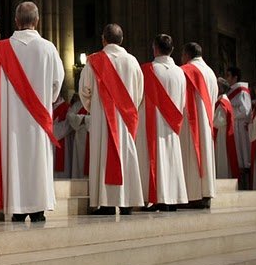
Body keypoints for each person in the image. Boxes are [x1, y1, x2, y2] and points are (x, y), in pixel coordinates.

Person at [0, 1, 64, 222]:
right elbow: (57, 82)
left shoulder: (2, 49)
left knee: (16, 158)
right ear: (37, 21)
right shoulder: (48, 48)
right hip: (39, 118)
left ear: (16, 21)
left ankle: (17, 206)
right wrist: (46, 101)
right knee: (37, 159)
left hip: (12, 120)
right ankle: (38, 207)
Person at [78, 24, 144, 215]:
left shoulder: (94, 61)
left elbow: (85, 90)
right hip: (126, 119)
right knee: (126, 155)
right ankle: (127, 202)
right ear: (121, 40)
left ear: (103, 39)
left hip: (102, 120)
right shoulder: (133, 62)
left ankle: (106, 203)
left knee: (104, 156)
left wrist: (95, 108)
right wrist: (128, 110)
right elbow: (139, 93)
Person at [136, 34, 187, 211]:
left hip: (151, 123)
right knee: (170, 158)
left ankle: (157, 198)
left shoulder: (147, 70)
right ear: (172, 50)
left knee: (155, 159)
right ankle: (171, 198)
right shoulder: (180, 72)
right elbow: (182, 101)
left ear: (155, 48)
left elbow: (137, 98)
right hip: (172, 124)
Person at [180, 42, 218, 207]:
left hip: (191, 121)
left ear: (187, 55)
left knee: (193, 157)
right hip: (207, 120)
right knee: (205, 155)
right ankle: (205, 194)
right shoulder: (211, 72)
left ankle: (194, 196)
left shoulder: (187, 70)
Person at [225, 66, 252, 189]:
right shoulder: (231, 91)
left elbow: (246, 110)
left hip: (240, 128)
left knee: (243, 154)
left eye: (229, 76)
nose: (227, 79)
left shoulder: (241, 90)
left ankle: (247, 184)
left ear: (235, 77)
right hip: (234, 127)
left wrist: (230, 111)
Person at [214, 78, 239, 180]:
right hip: (222, 134)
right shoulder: (224, 100)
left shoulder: (222, 102)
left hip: (221, 135)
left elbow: (219, 122)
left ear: (220, 89)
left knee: (222, 158)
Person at [66, 94, 90, 178]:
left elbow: (99, 120)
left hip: (93, 139)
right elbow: (70, 116)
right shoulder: (78, 105)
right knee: (79, 163)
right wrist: (84, 119)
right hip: (80, 139)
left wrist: (84, 120)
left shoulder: (97, 104)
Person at [52, 95, 73, 179]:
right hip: (51, 146)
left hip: (64, 146)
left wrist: (49, 132)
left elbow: (68, 125)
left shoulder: (67, 108)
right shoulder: (47, 106)